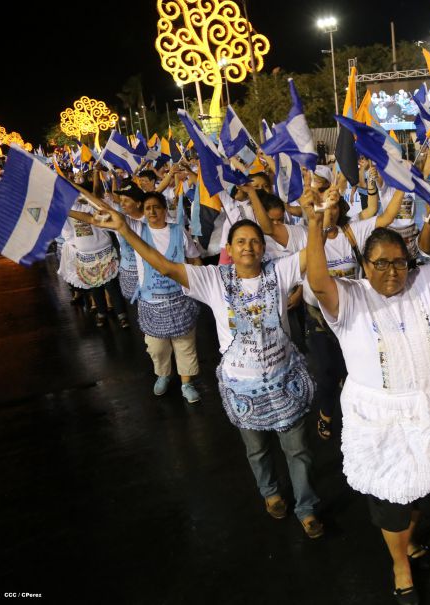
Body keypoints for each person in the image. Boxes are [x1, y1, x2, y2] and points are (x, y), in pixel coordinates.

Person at [90, 193, 325, 539]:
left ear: (264, 248)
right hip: (242, 387)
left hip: (284, 379)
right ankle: (271, 493)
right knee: (257, 449)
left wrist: (316, 219)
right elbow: (164, 265)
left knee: (298, 450)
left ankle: (306, 508)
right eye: (241, 241)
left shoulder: (280, 271)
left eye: (255, 241)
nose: (249, 247)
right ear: (229, 246)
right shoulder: (214, 278)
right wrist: (125, 229)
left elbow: (313, 254)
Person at [305, 184, 430, 605]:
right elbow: (317, 277)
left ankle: (408, 541)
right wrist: (313, 223)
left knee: (419, 492)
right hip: (378, 421)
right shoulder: (349, 299)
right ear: (365, 265)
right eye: (381, 264)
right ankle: (400, 562)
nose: (392, 272)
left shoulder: (424, 285)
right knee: (390, 503)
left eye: (399, 262)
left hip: (427, 412)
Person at [251, 169, 403, 441]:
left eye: (334, 208)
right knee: (327, 372)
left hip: (352, 316)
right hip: (318, 318)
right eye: (325, 207)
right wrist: (251, 193)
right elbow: (267, 228)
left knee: (356, 368)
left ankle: (357, 416)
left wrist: (404, 183)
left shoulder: (352, 231)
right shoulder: (301, 236)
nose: (329, 213)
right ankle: (326, 413)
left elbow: (387, 217)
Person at [120, 191, 203, 402]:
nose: (152, 211)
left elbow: (194, 259)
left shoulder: (179, 231)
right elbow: (115, 217)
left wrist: (202, 288)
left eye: (157, 207)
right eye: (148, 208)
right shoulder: (138, 230)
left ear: (165, 210)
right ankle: (163, 374)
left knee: (185, 344)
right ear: (143, 212)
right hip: (151, 303)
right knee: (157, 347)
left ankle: (187, 383)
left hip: (180, 300)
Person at [63, 176, 129, 329]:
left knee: (112, 286)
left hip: (103, 251)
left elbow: (105, 217)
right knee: (95, 288)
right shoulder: (69, 209)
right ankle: (101, 313)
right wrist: (76, 245)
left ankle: (121, 315)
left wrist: (90, 198)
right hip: (85, 254)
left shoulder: (94, 206)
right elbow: (67, 231)